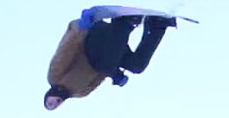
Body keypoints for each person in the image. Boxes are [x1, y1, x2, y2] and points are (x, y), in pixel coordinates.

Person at [43, 8, 176, 110]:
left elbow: (66, 50)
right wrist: (116, 75)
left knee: (104, 66)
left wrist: (81, 28)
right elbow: (101, 75)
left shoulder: (54, 77)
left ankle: (124, 22)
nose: (54, 104)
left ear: (48, 96)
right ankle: (157, 26)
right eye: (54, 106)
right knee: (136, 66)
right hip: (109, 49)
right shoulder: (80, 92)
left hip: (91, 38)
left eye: (50, 103)